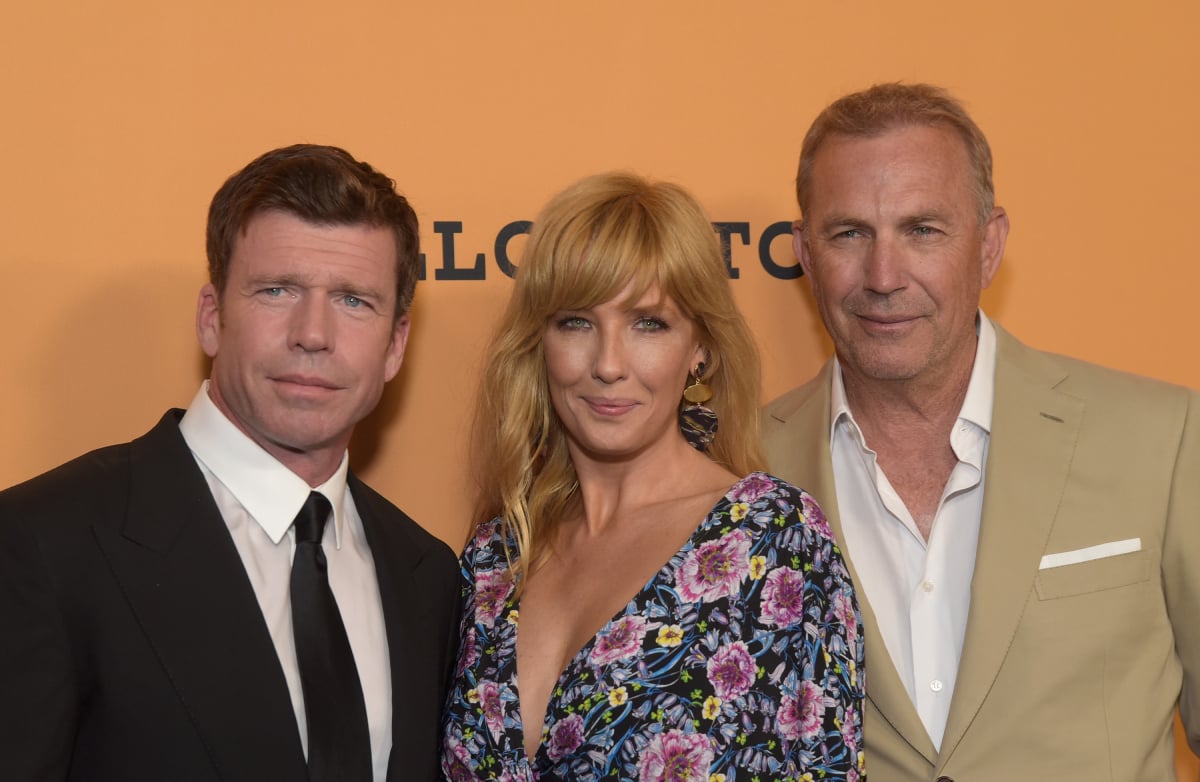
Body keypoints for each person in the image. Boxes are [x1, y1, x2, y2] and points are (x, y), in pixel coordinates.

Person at [763, 82, 1200, 781]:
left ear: (989, 246)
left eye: (922, 231)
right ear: (805, 255)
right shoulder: (736, 470)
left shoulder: (1164, 438)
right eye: (850, 233)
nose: (882, 276)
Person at [0, 144, 460, 782]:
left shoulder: (426, 575)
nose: (314, 333)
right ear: (212, 319)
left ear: (395, 345)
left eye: (354, 300)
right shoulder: (45, 543)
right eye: (277, 290)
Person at [440, 172, 865, 781]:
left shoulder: (775, 544)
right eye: (576, 322)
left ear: (700, 349)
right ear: (539, 342)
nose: (609, 364)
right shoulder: (492, 559)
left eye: (648, 323)